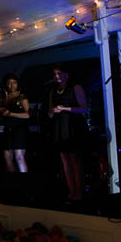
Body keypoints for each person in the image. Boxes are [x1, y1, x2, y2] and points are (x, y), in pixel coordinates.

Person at [48, 63, 87, 201]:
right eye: (55, 74)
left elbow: (83, 108)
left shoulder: (75, 87)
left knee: (75, 160)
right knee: (65, 161)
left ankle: (79, 191)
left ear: (67, 74)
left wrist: (65, 108)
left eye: (59, 73)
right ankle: (71, 190)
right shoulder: (53, 91)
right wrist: (52, 111)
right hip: (60, 127)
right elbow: (50, 113)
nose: (57, 76)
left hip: (73, 126)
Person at [0, 73, 30, 173]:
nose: (11, 85)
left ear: (18, 84)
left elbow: (28, 115)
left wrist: (11, 114)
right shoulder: (3, 99)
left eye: (14, 83)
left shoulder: (21, 97)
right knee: (7, 157)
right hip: (8, 129)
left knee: (19, 156)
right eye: (9, 83)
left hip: (19, 129)